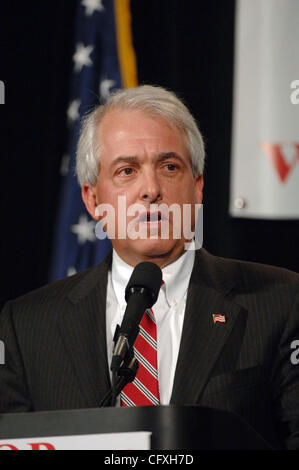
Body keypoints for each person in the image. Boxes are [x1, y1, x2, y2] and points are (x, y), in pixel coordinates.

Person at [0, 85, 298, 449]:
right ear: (93, 199)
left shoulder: (281, 302)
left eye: (169, 167)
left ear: (198, 187)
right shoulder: (26, 326)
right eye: (127, 170)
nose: (151, 189)